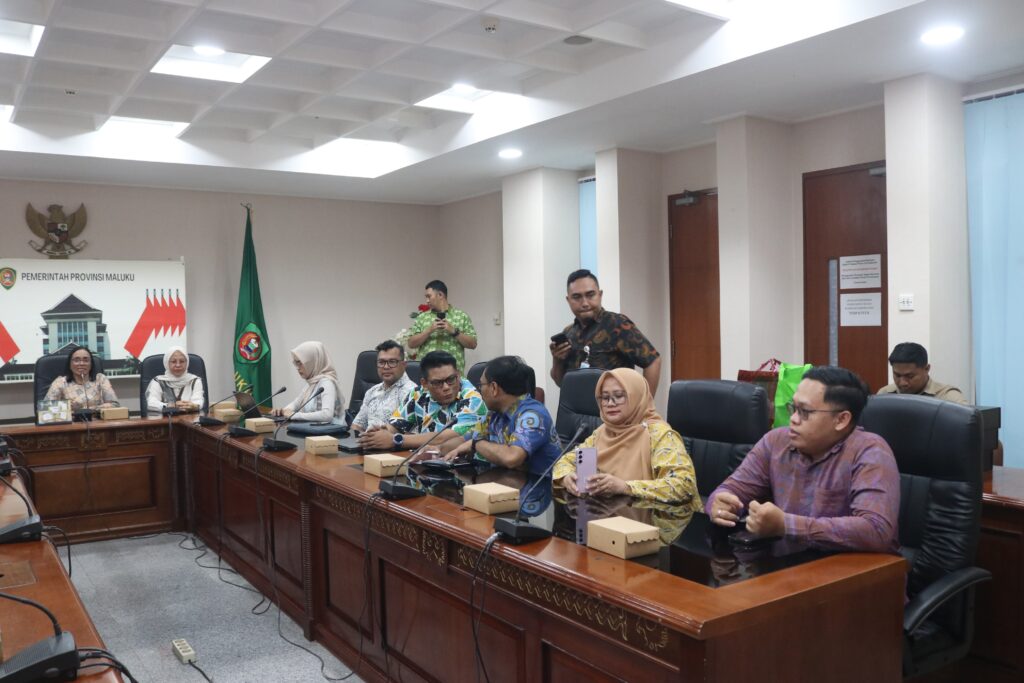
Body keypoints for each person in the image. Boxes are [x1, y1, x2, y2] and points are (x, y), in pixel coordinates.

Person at [706, 366, 900, 554]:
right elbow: (732, 488)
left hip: (851, 570)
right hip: (789, 564)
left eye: (804, 412)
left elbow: (877, 530)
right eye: (793, 408)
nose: (793, 419)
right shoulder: (776, 441)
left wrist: (786, 525)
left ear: (841, 420)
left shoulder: (870, 451)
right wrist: (719, 503)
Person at [552, 368, 700, 506]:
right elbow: (566, 461)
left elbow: (684, 486)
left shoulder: (659, 435)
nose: (610, 403)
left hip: (651, 518)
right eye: (605, 397)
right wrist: (566, 477)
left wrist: (625, 487)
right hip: (606, 515)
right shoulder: (602, 432)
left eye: (619, 396)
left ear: (636, 397)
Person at [549, 269, 663, 396]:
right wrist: (557, 360)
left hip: (612, 405)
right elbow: (561, 382)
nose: (584, 303)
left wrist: (644, 404)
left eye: (590, 295)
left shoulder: (617, 325)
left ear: (600, 295)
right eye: (577, 297)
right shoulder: (568, 333)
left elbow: (653, 361)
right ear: (568, 300)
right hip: (577, 406)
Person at [443, 355, 561, 474]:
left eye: (481, 385)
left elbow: (512, 458)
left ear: (494, 388)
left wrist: (476, 444)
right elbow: (465, 440)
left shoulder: (532, 416)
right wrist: (437, 449)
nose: (479, 391)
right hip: (507, 481)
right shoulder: (494, 414)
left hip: (540, 484)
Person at [359, 350, 486, 452]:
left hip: (459, 465)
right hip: (423, 460)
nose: (446, 387)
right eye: (438, 383)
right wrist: (378, 434)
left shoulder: (472, 399)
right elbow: (397, 425)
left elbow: (447, 437)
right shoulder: (418, 394)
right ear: (424, 383)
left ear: (458, 375)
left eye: (451, 379)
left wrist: (395, 439)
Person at [407, 280, 477, 373]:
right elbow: (411, 344)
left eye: (429, 296)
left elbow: (473, 344)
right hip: (427, 374)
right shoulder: (422, 317)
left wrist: (454, 331)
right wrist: (429, 330)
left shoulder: (461, 316)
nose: (427, 301)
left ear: (440, 295)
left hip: (453, 375)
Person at [350, 340, 417, 434]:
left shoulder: (412, 393)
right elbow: (357, 426)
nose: (386, 367)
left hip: (393, 442)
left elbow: (410, 434)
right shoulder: (372, 391)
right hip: (367, 441)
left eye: (392, 362)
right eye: (381, 362)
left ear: (404, 365)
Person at [272, 341, 345, 424]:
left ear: (313, 361)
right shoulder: (312, 383)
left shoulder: (326, 383)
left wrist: (294, 415)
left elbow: (327, 415)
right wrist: (282, 411)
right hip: (314, 429)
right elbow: (296, 404)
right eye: (296, 363)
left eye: (300, 363)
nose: (297, 368)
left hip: (330, 431)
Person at [877, 342, 967, 404]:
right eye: (897, 375)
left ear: (927, 369)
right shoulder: (884, 394)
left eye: (910, 376)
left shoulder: (948, 397)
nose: (902, 383)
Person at [45, 345, 119, 410]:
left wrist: (88, 410)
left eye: (86, 360)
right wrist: (67, 407)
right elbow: (46, 407)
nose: (81, 363)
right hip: (72, 421)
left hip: (97, 420)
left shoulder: (100, 379)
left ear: (91, 364)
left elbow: (115, 405)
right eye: (76, 360)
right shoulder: (60, 382)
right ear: (70, 364)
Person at [146, 346, 205, 414]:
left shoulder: (195, 380)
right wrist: (170, 406)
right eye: (173, 361)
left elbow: (199, 402)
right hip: (165, 419)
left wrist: (193, 406)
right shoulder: (158, 381)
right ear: (167, 363)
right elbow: (151, 403)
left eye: (182, 361)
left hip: (190, 419)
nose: (178, 365)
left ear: (187, 363)